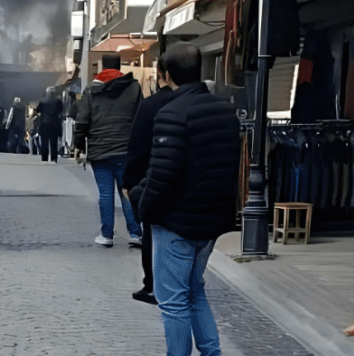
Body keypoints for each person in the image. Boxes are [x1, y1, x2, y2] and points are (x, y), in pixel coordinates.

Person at [132, 43, 240, 356]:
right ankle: (211, 352)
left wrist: (143, 207)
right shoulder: (225, 112)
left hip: (177, 221)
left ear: (166, 75)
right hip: (210, 223)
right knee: (194, 291)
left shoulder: (172, 113)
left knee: (174, 301)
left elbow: (162, 175)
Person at [122, 57, 178, 306]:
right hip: (191, 186)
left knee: (152, 232)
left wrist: (129, 183)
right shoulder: (208, 105)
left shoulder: (150, 105)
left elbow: (137, 146)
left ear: (163, 74)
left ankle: (153, 285)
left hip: (152, 178)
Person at [73, 68, 143, 247]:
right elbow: (141, 117)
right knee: (126, 191)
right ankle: (135, 233)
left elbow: (82, 121)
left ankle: (107, 235)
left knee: (105, 193)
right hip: (126, 150)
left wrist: (79, 145)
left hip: (100, 150)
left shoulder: (91, 91)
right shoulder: (133, 88)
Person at [35, 87, 64, 163]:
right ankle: (53, 158)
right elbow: (61, 110)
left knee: (44, 143)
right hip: (55, 124)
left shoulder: (42, 102)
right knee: (54, 143)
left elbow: (37, 110)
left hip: (44, 124)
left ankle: (44, 158)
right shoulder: (58, 102)